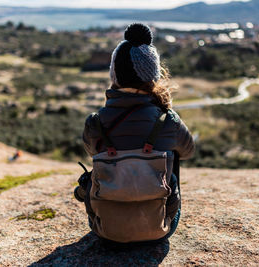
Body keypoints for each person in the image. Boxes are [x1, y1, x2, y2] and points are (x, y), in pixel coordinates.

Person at [77, 23, 195, 243]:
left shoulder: (95, 122)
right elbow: (188, 151)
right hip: (160, 229)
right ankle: (157, 214)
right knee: (173, 157)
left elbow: (91, 150)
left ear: (115, 75)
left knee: (101, 160)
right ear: (153, 76)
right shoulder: (167, 119)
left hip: (104, 230)